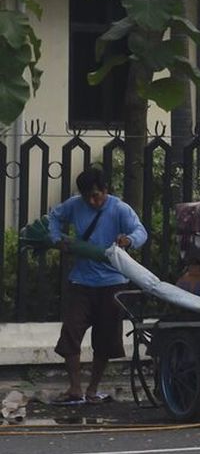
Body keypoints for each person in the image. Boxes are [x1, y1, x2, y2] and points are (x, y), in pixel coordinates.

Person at [47, 166, 148, 405]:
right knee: (71, 333)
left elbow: (140, 231)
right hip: (81, 281)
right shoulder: (74, 205)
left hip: (113, 284)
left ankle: (92, 390)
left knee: (105, 340)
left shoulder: (119, 209)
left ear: (106, 190)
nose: (92, 201)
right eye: (87, 197)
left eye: (97, 195)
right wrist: (56, 238)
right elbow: (54, 217)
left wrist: (129, 240)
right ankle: (75, 389)